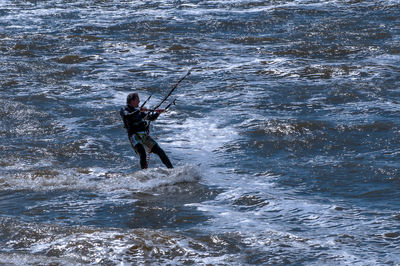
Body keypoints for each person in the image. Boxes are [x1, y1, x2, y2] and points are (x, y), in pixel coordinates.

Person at [120, 92, 173, 169]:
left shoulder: (138, 111)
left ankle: (171, 169)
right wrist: (139, 110)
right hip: (134, 136)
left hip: (144, 135)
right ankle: (144, 173)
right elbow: (127, 116)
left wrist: (157, 113)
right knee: (142, 152)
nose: (139, 101)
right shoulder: (124, 109)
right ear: (132, 100)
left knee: (160, 151)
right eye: (138, 99)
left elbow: (151, 118)